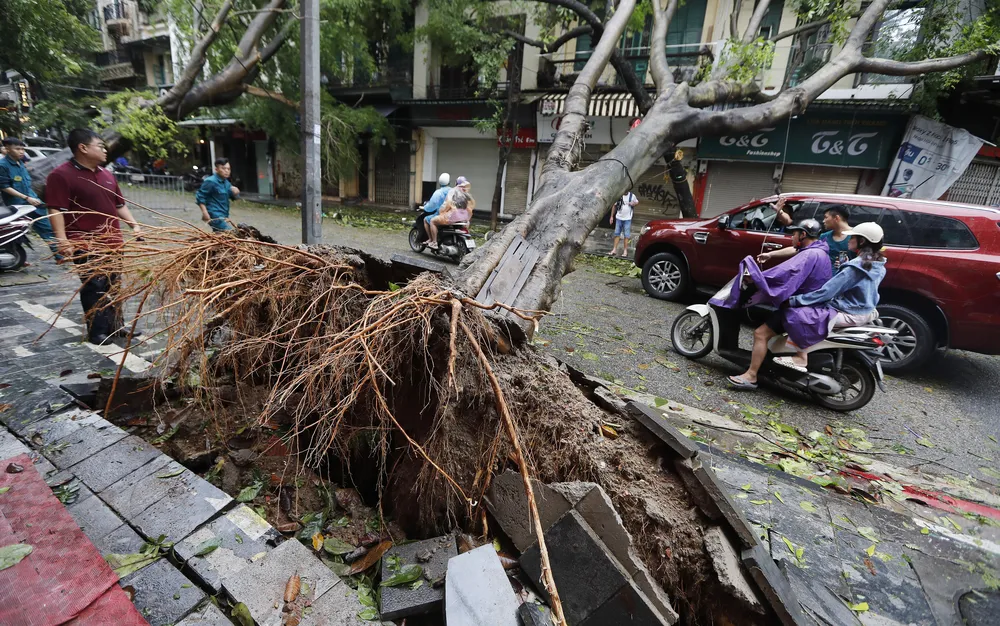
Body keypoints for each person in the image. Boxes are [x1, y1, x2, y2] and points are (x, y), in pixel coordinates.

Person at [45, 129, 143, 345]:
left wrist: (134, 225)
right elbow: (56, 209)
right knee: (94, 287)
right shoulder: (61, 175)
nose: (104, 149)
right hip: (85, 243)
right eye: (100, 145)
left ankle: (116, 326)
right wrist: (62, 240)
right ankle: (97, 331)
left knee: (114, 284)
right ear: (83, 147)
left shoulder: (107, 174)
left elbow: (119, 205)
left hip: (113, 241)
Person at [712, 219, 831, 390]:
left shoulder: (808, 255)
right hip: (810, 306)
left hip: (799, 310)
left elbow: (782, 275)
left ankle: (751, 375)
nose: (791, 237)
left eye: (794, 234)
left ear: (803, 235)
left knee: (761, 334)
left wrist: (756, 277)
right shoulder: (821, 253)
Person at [774, 223, 888, 370]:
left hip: (850, 312)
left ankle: (801, 357)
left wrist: (794, 300)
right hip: (865, 310)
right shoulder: (877, 263)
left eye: (852, 237)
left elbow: (826, 292)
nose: (849, 240)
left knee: (797, 314)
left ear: (862, 241)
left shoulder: (855, 267)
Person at [757, 205, 854, 272]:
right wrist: (770, 254)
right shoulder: (824, 237)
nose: (823, 221)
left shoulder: (857, 237)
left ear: (836, 218)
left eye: (826, 217)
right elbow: (801, 249)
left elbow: (866, 264)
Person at [0, 137, 56, 249]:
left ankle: (60, 255)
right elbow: (4, 187)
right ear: (7, 149)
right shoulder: (3, 165)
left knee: (47, 228)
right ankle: (16, 256)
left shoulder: (20, 163)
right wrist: (25, 197)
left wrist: (32, 197)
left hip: (33, 202)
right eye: (17, 149)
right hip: (17, 206)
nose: (21, 151)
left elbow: (25, 183)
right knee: (16, 232)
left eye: (22, 149)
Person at [196, 158, 240, 232]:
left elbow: (234, 197)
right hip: (215, 216)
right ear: (216, 169)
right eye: (223, 168)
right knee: (231, 234)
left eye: (228, 169)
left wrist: (236, 192)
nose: (226, 171)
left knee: (221, 236)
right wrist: (204, 212)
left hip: (224, 216)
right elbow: (200, 196)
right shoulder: (210, 181)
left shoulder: (226, 183)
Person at [427, 176, 471, 248]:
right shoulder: (467, 194)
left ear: (456, 183)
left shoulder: (452, 192)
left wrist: (441, 211)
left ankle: (434, 242)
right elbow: (469, 208)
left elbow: (446, 205)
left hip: (453, 217)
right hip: (464, 219)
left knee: (432, 221)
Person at [609, 191, 638, 257]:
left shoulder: (632, 195)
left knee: (626, 235)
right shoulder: (619, 195)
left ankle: (625, 251)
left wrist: (634, 203)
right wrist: (611, 217)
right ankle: (614, 250)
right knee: (617, 234)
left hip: (627, 219)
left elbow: (637, 202)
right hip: (619, 218)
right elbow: (614, 206)